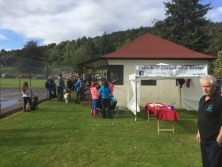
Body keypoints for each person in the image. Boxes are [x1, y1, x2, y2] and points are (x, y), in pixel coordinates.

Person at [196, 75, 222, 167]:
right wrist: (199, 132)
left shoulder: (219, 101)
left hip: (214, 143)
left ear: (214, 87)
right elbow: (201, 117)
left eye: (207, 86)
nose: (205, 89)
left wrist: (218, 141)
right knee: (206, 164)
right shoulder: (202, 99)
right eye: (203, 86)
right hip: (203, 141)